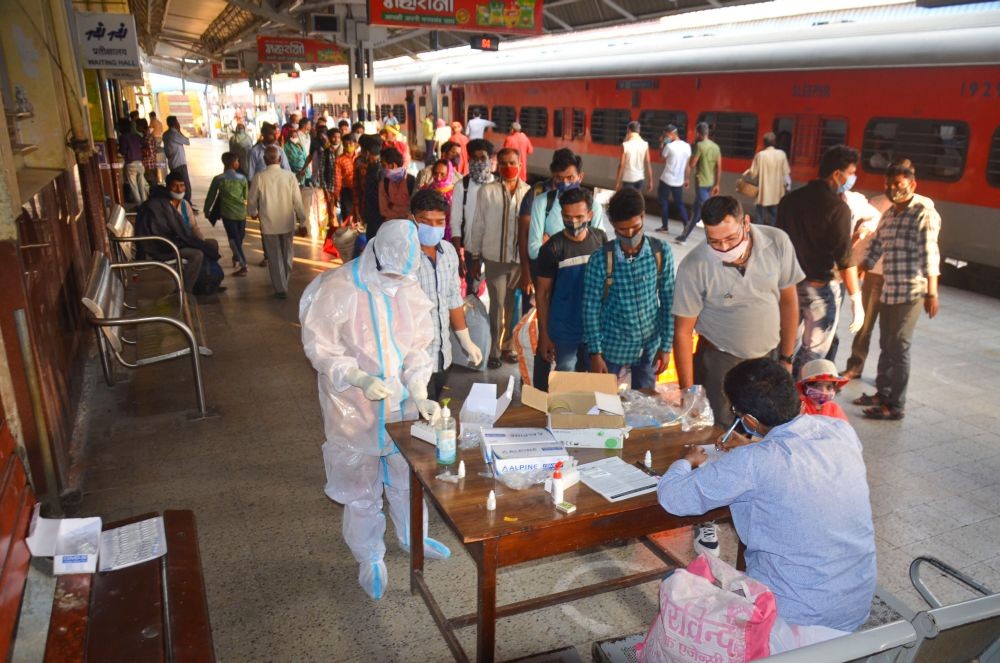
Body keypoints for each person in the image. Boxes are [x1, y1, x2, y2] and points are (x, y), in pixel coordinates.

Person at [658, 358, 875, 652]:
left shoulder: (753, 462)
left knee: (675, 579)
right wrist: (753, 447)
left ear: (747, 420)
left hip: (793, 623)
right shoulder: (840, 431)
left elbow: (673, 498)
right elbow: (796, 462)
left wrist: (685, 460)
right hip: (853, 607)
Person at [299, 219, 449, 601]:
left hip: (399, 405)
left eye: (403, 274)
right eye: (391, 273)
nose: (396, 280)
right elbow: (321, 347)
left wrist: (418, 390)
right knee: (361, 485)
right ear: (376, 252)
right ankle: (369, 557)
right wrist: (357, 378)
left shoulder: (408, 286)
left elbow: (418, 346)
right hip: (353, 406)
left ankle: (413, 536)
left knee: (405, 476)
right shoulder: (339, 288)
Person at [673, 195, 802, 427]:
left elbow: (789, 302)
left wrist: (786, 357)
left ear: (746, 223)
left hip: (768, 356)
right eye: (714, 241)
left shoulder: (777, 242)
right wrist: (689, 393)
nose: (724, 248)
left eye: (731, 238)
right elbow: (682, 333)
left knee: (766, 425)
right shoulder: (694, 266)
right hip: (719, 359)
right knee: (719, 429)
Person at [854, 159, 941, 421]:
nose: (893, 189)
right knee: (887, 343)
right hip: (889, 289)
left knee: (899, 345)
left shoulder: (921, 213)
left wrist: (932, 292)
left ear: (912, 184)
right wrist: (862, 267)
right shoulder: (890, 214)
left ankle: (896, 405)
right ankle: (883, 393)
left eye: (899, 184)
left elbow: (929, 253)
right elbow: (877, 245)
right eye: (889, 184)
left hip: (912, 291)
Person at [776, 145, 865, 376]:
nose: (852, 178)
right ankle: (802, 401)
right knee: (813, 354)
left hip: (788, 289)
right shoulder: (838, 209)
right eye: (851, 173)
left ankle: (783, 394)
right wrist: (856, 299)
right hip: (820, 291)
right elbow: (845, 258)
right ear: (837, 174)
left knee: (786, 349)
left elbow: (778, 244)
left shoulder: (790, 200)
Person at [581, 188, 674, 390]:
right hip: (611, 349)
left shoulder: (661, 252)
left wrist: (666, 346)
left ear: (643, 216)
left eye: (635, 227)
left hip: (649, 348)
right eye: (622, 230)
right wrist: (595, 354)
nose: (630, 235)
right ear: (613, 225)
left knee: (645, 406)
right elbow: (590, 309)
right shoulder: (600, 260)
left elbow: (668, 301)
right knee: (603, 404)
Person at [411, 190, 485, 399]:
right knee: (415, 418)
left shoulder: (449, 252)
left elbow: (453, 299)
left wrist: (466, 341)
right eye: (426, 221)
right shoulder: (403, 256)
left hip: (443, 355)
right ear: (413, 219)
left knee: (434, 409)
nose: (433, 228)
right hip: (414, 359)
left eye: (440, 221)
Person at [467, 147, 530, 369]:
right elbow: (478, 225)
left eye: (512, 162)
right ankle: (494, 349)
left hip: (518, 261)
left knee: (513, 305)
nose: (508, 167)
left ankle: (508, 346)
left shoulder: (529, 193)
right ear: (498, 166)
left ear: (520, 164)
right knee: (496, 306)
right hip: (494, 258)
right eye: (503, 163)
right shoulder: (487, 191)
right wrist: (475, 257)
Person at [536, 187, 608, 373]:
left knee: (592, 387)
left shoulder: (600, 241)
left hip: (594, 332)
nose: (573, 222)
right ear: (561, 215)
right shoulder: (551, 249)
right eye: (568, 217)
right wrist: (544, 335)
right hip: (564, 331)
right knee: (566, 385)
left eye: (579, 217)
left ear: (590, 215)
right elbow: (542, 294)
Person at [135, 175, 221, 293]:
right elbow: (162, 231)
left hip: (179, 240)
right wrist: (191, 241)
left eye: (182, 186)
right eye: (175, 186)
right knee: (197, 254)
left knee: (211, 244)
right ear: (168, 187)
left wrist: (200, 241)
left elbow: (193, 227)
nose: (179, 190)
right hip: (165, 246)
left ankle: (207, 282)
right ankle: (184, 291)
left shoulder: (184, 204)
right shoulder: (161, 206)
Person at [843, 193, 892, 379]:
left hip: (897, 278)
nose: (894, 187)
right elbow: (866, 240)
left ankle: (885, 380)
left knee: (891, 335)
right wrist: (858, 264)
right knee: (865, 326)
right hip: (873, 272)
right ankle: (855, 365)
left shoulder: (921, 205)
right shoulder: (876, 202)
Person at [248, 146, 307, 299]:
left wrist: (253, 213)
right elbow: (297, 201)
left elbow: (252, 199)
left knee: (274, 256)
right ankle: (284, 281)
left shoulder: (259, 177)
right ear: (280, 160)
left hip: (269, 223)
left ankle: (280, 288)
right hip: (287, 223)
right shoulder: (290, 176)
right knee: (287, 253)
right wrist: (303, 221)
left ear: (264, 160)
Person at [450, 138, 495, 296]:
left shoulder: (498, 186)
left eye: (482, 158)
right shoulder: (462, 187)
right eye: (474, 159)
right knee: (472, 292)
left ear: (490, 159)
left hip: (495, 252)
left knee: (496, 294)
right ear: (468, 160)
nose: (478, 162)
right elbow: (455, 223)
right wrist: (458, 256)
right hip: (471, 250)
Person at [205, 152, 249, 276]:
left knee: (234, 239)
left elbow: (211, 196)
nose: (238, 164)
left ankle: (236, 257)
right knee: (238, 237)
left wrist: (206, 210)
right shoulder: (242, 179)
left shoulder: (218, 179)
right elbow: (246, 196)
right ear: (232, 163)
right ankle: (243, 264)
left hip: (227, 213)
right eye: (237, 161)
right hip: (241, 213)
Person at [676, 122, 721, 244]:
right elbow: (718, 167)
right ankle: (684, 236)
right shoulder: (716, 147)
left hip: (701, 183)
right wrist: (717, 184)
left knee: (708, 210)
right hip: (710, 183)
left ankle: (719, 238)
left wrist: (686, 179)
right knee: (696, 213)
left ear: (698, 133)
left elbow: (692, 164)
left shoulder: (700, 146)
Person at [747, 132, 791, 227]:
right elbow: (786, 173)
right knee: (774, 216)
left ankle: (759, 235)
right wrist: (787, 187)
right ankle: (773, 234)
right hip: (777, 193)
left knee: (759, 216)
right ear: (775, 142)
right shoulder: (782, 154)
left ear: (764, 143)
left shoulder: (760, 155)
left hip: (763, 193)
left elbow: (753, 174)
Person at [655, 124, 691, 234]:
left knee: (664, 202)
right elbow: (688, 165)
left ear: (671, 134)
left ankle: (665, 227)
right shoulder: (687, 146)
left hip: (666, 179)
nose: (666, 137)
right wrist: (687, 179)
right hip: (679, 181)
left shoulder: (669, 146)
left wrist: (661, 143)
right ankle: (686, 225)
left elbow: (661, 157)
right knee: (679, 203)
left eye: (666, 135)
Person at [420, 160, 457, 240]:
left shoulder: (456, 193)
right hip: (428, 233)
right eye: (436, 173)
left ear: (449, 174)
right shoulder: (428, 189)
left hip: (449, 236)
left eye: (442, 174)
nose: (438, 178)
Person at [378, 147, 415, 225]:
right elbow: (383, 210)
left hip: (408, 224)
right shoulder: (384, 183)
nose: (382, 168)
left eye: (383, 165)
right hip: (391, 223)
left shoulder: (411, 181)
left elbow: (416, 208)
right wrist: (403, 217)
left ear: (392, 165)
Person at [359, 136, 386, 239]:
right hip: (373, 214)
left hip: (377, 215)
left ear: (367, 153)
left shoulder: (379, 170)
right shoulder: (372, 166)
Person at [614, 121, 652, 193]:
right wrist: (650, 181)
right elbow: (648, 163)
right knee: (636, 199)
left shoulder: (625, 145)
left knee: (627, 200)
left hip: (628, 178)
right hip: (640, 178)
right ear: (639, 131)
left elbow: (621, 165)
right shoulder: (645, 144)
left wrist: (617, 182)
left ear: (628, 130)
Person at [162, 116, 192, 204]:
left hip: (172, 162)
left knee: (175, 184)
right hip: (180, 163)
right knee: (185, 185)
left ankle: (179, 201)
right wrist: (179, 131)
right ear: (176, 123)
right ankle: (186, 203)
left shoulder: (165, 134)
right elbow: (187, 141)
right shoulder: (174, 134)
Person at [116, 118, 147, 205]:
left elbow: (122, 151)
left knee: (134, 186)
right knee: (141, 185)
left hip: (131, 164)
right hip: (140, 163)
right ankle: (145, 203)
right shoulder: (136, 135)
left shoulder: (123, 137)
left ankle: (139, 205)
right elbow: (144, 143)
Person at [334, 134, 358, 225]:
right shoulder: (339, 160)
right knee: (348, 217)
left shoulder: (360, 158)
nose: (349, 146)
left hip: (360, 191)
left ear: (355, 144)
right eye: (346, 144)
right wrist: (336, 195)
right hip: (347, 191)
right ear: (343, 145)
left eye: (351, 144)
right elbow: (338, 179)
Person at [138, 118, 160, 187]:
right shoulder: (148, 136)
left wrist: (140, 152)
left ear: (141, 126)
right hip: (152, 164)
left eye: (137, 126)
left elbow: (149, 153)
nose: (136, 127)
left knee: (152, 186)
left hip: (148, 166)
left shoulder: (147, 137)